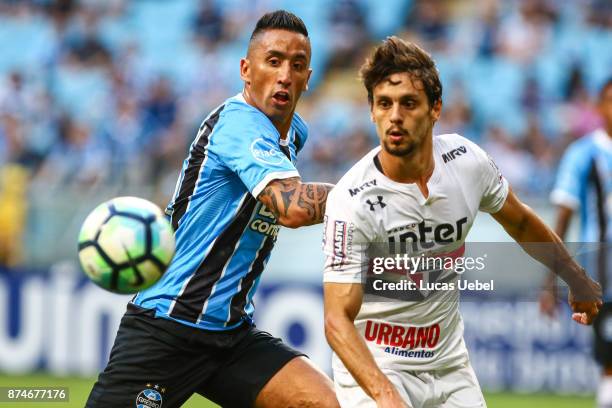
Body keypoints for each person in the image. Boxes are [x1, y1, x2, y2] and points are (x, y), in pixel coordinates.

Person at [321, 36, 602, 408]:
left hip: (449, 365)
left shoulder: (467, 161)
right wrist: (385, 394)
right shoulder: (351, 200)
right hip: (378, 368)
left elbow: (520, 223)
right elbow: (336, 318)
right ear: (371, 111)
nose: (395, 116)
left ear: (435, 108)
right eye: (384, 104)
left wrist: (575, 277)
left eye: (409, 103)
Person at [86, 10, 338, 408]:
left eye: (298, 65)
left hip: (231, 335)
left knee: (323, 403)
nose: (285, 75)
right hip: (167, 327)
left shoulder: (293, 133)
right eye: (273, 61)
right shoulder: (239, 124)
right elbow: (291, 209)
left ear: (309, 77)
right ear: (246, 68)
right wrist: (370, 192)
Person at [543, 78, 612, 408]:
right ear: (599, 107)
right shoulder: (583, 154)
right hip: (603, 277)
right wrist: (550, 280)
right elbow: (562, 220)